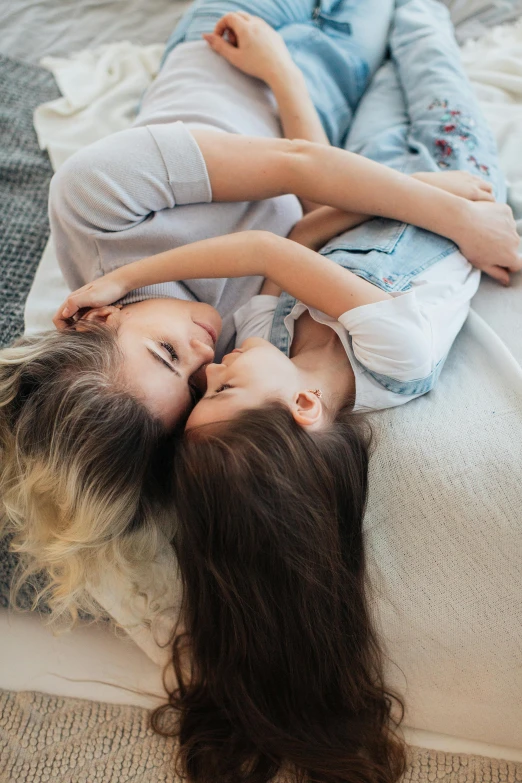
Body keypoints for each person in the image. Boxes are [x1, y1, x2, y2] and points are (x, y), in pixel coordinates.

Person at [0, 0, 518, 627]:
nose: (205, 353)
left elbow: (301, 172)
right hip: (336, 119)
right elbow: (308, 216)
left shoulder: (95, 200)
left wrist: (457, 216)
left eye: (167, 353)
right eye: (196, 385)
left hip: (253, 37)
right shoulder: (244, 364)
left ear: (94, 316)